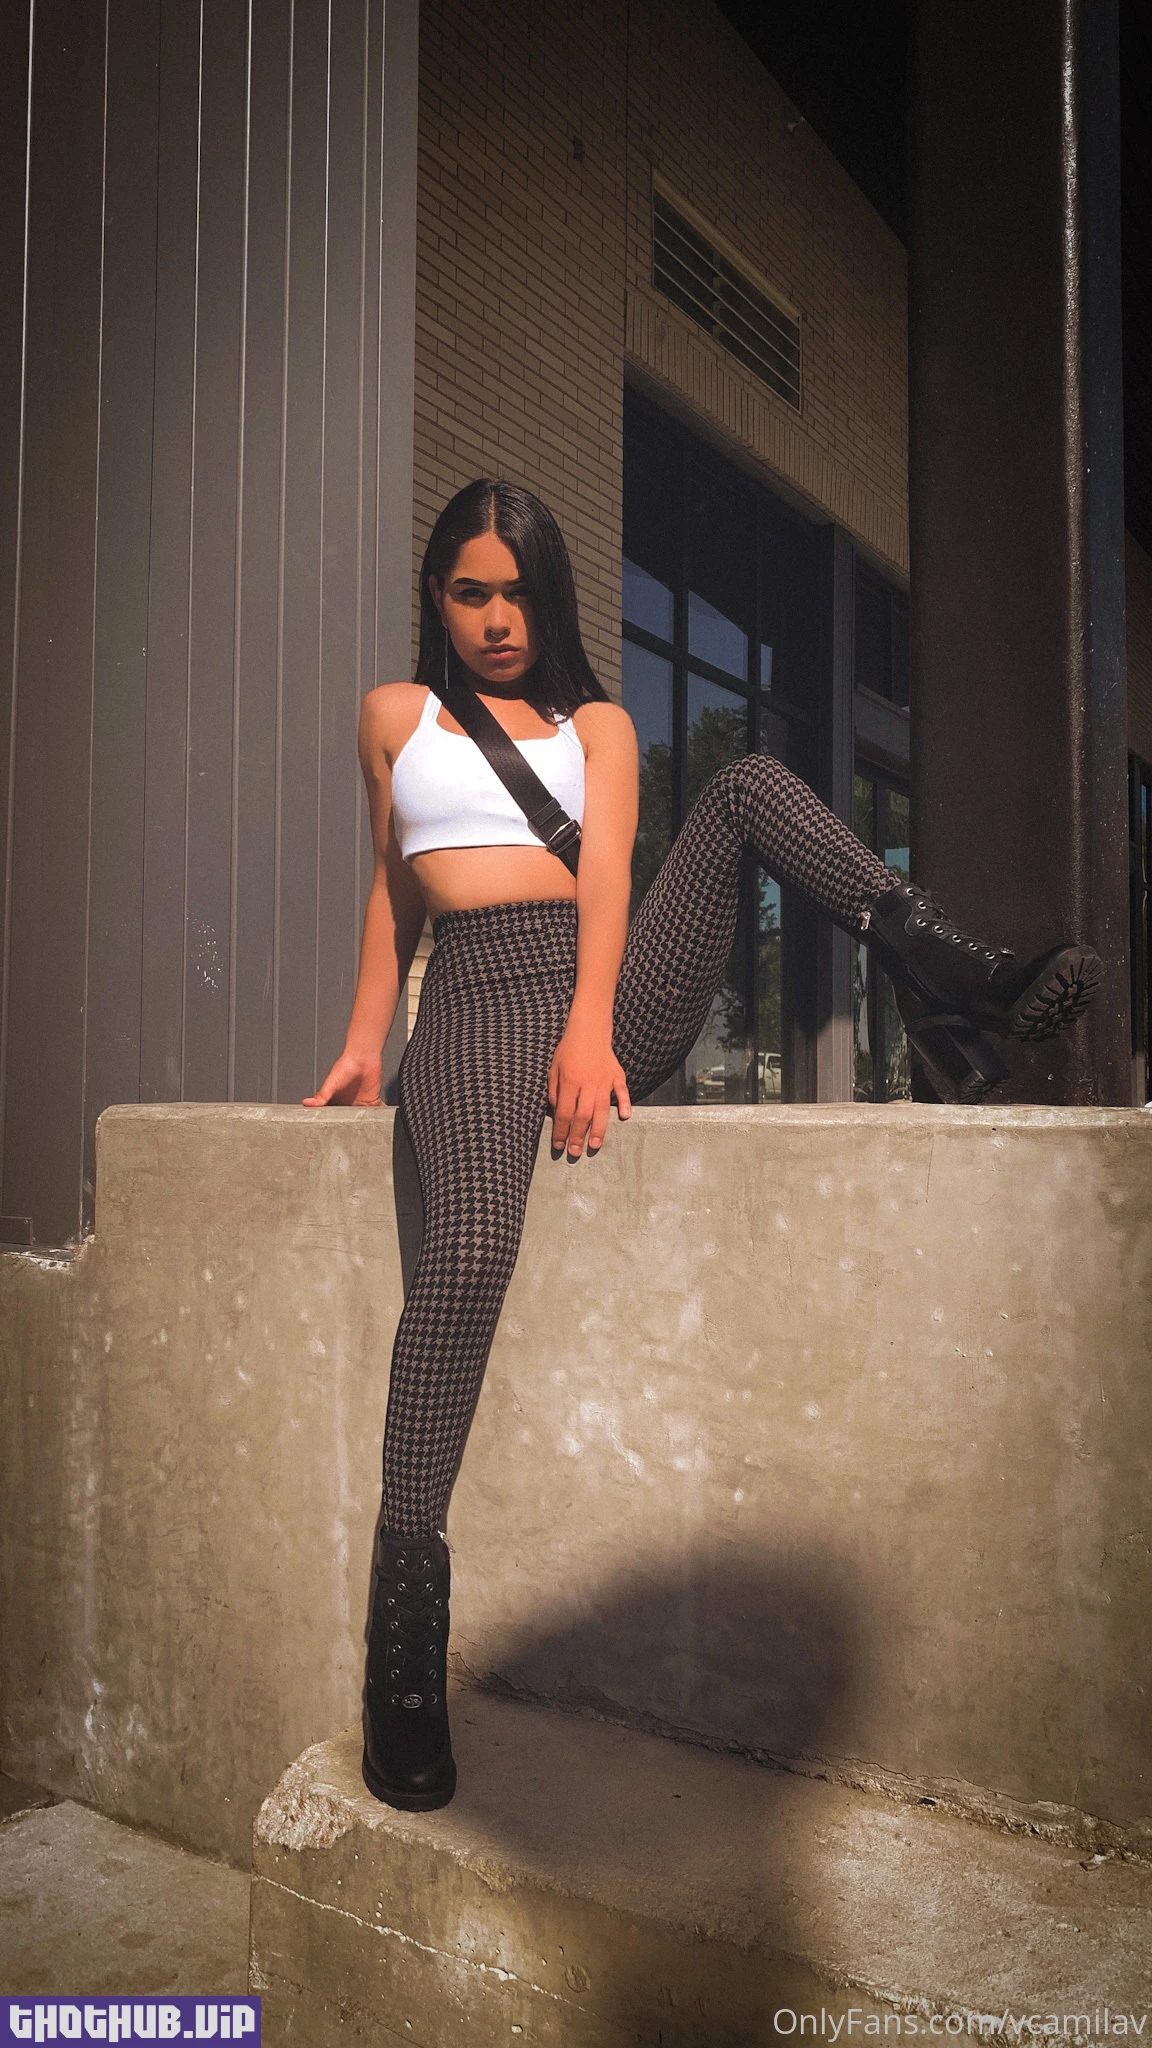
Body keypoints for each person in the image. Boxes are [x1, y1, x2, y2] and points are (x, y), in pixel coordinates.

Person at [303, 478, 1101, 1813]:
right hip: (478, 1003)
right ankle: (403, 1636)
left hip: (604, 991)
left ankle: (944, 960)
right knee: (473, 1246)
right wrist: (362, 1042)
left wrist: (591, 1029)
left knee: (741, 785)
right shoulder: (397, 719)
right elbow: (394, 897)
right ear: (437, 599)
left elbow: (611, 877)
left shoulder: (602, 727)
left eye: (520, 593)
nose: (498, 619)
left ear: (552, 600)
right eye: (471, 593)